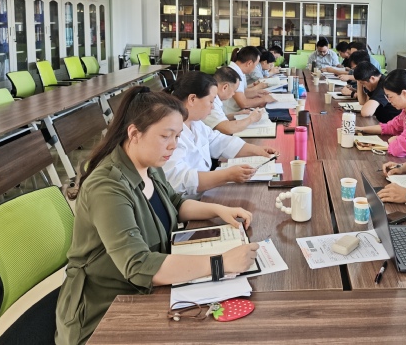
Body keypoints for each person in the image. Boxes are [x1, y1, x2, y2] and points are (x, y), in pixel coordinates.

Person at [55, 87, 259, 345]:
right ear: (134, 133)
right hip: (105, 312)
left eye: (177, 136)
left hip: (148, 291)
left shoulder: (149, 164)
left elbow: (174, 203)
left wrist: (219, 210)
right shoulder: (107, 187)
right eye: (165, 136)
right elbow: (139, 265)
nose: (174, 145)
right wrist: (221, 263)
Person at [163, 71, 277, 198]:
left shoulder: (195, 123)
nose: (212, 107)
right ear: (192, 99)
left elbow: (218, 141)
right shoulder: (169, 132)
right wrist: (227, 175)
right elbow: (180, 180)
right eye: (211, 101)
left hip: (205, 193)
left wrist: (257, 150)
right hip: (187, 203)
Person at [203, 66, 264, 135]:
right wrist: (251, 119)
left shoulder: (215, 98)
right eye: (234, 90)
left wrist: (236, 114)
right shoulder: (211, 101)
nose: (233, 94)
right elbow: (227, 128)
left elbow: (218, 119)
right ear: (225, 87)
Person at [225, 46, 275, 115]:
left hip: (236, 111)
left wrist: (257, 93)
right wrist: (263, 99)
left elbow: (242, 93)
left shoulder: (239, 71)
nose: (255, 68)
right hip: (230, 114)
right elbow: (243, 103)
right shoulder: (233, 74)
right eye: (256, 65)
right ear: (249, 63)